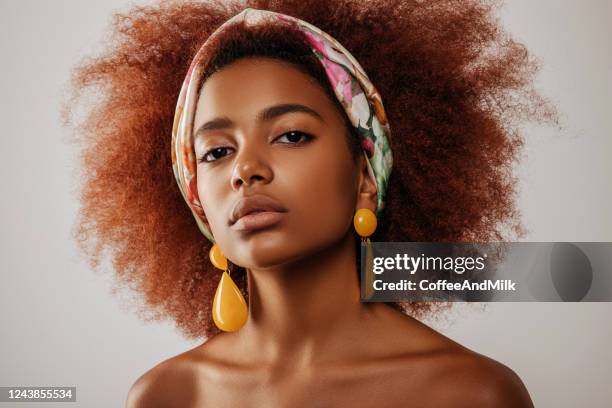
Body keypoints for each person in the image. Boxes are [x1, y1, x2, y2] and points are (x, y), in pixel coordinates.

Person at [65, 1, 555, 406]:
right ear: (196, 199)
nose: (245, 169)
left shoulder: (470, 394)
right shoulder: (167, 396)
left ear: (366, 175)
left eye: (291, 135)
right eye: (216, 151)